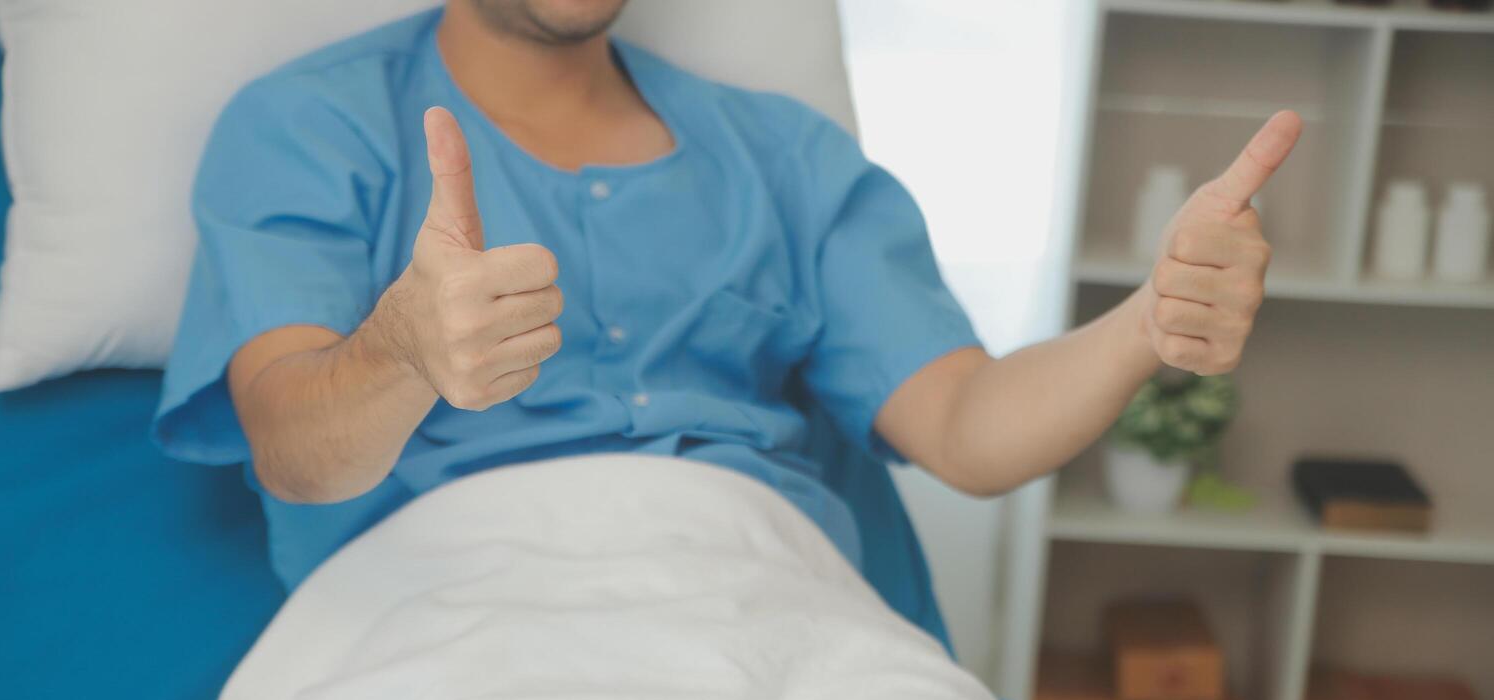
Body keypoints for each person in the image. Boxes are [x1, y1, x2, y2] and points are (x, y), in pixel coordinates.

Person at [157, 0, 1300, 590]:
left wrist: (1145, 322)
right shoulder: (309, 129)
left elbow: (968, 427)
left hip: (765, 618)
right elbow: (293, 451)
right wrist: (400, 353)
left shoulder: (785, 161)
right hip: (457, 630)